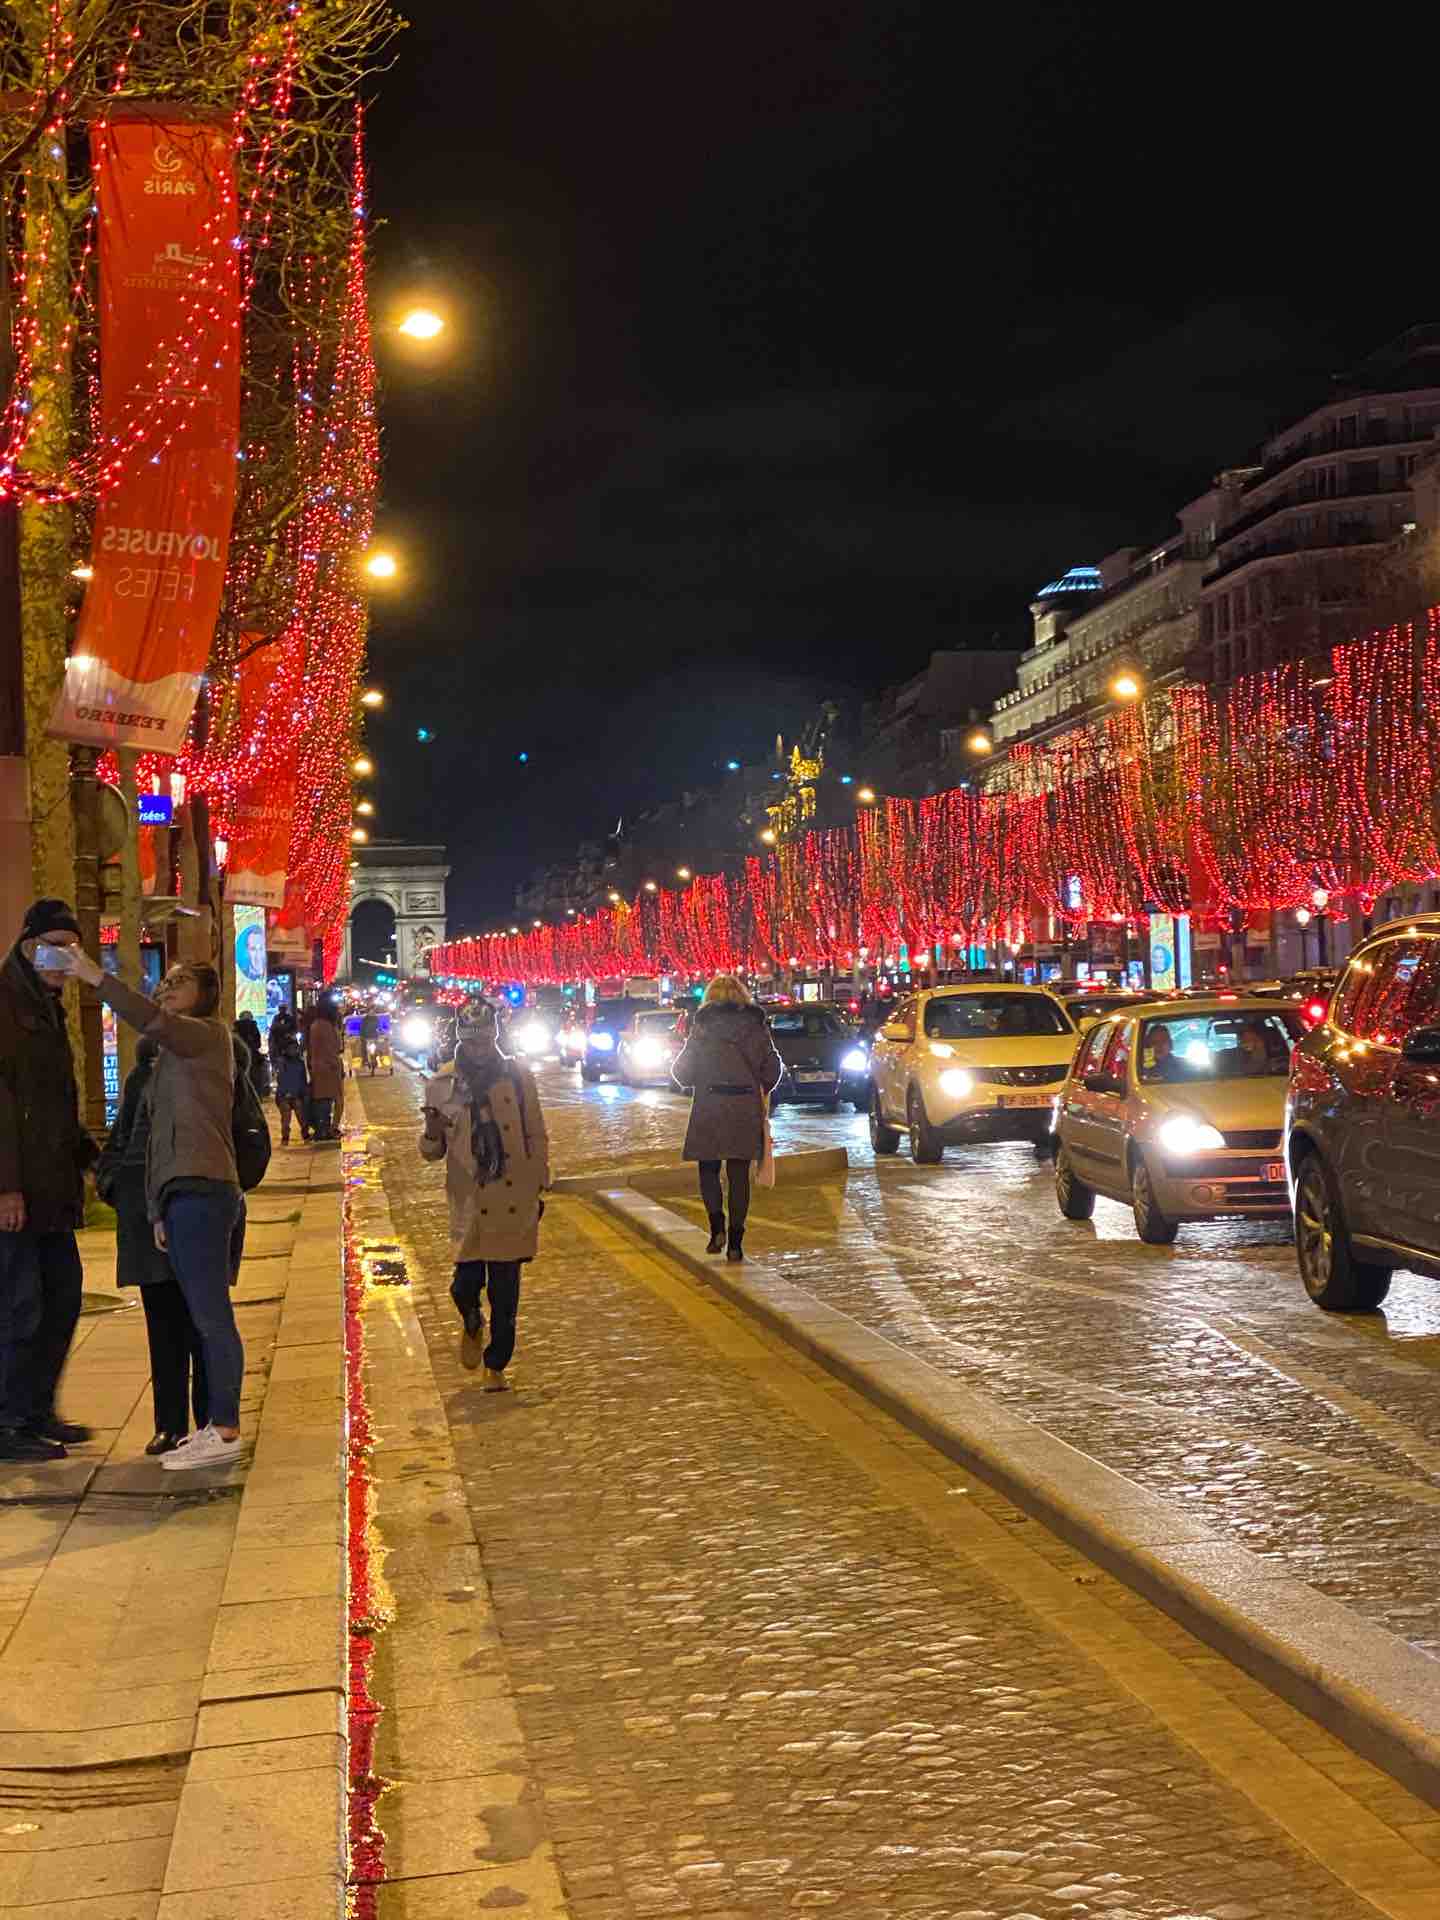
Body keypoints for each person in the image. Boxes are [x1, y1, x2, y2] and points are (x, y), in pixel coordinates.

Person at [63, 949, 245, 1472]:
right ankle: (212, 1425)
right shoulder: (168, 1060)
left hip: (204, 1190)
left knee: (210, 1315)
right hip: (180, 1196)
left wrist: (95, 976)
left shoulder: (205, 1037)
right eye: (163, 980)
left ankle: (225, 1427)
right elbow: (155, 1139)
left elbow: (151, 1019)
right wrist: (156, 1209)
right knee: (197, 1312)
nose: (166, 986)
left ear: (204, 998)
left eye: (178, 981)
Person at [0, 899, 99, 1462]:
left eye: (72, 946)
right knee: (19, 1305)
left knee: (62, 1297)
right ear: (28, 943)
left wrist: (86, 1154)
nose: (65, 958)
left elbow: (54, 1102)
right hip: (18, 1192)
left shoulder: (47, 1004)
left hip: (51, 1184)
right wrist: (6, 1186)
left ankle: (37, 1410)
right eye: (54, 945)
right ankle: (10, 1422)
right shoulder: (7, 1003)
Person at [420, 999, 549, 1392]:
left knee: (506, 1294)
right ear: (462, 1040)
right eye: (472, 1042)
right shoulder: (442, 1084)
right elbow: (430, 1153)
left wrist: (537, 1180)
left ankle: (497, 1364)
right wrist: (431, 1130)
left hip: (511, 1195)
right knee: (463, 1285)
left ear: (494, 1038)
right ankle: (472, 1319)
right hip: (470, 1200)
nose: (479, 1049)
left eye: (485, 1041)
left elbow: (535, 1132)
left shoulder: (516, 1076)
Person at [95, 1037, 208, 1455]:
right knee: (162, 1326)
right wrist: (115, 1182)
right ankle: (170, 1424)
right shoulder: (142, 1074)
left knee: (204, 1322)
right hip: (145, 1215)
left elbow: (247, 1136)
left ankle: (211, 1422)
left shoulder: (211, 1063)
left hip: (196, 1209)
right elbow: (121, 1136)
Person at [671, 974, 783, 1264]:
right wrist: (758, 1087)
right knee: (738, 1175)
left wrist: (699, 1077)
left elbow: (682, 1072)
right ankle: (735, 1243)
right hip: (745, 1106)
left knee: (708, 1169)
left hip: (710, 1104)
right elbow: (772, 1068)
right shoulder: (756, 1026)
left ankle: (716, 1226)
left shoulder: (702, 1027)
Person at [306, 996, 344, 1139]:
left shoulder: (315, 1024)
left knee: (322, 1100)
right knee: (334, 1100)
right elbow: (333, 1048)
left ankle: (323, 1129)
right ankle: (330, 1129)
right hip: (330, 1067)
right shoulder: (327, 1026)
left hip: (318, 1067)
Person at [274, 1031, 311, 1145]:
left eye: (295, 1048)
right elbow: (282, 1080)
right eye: (291, 1048)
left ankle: (305, 1134)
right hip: (284, 1096)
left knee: (301, 1115)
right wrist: (285, 1094)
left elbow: (303, 1080)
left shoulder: (299, 1063)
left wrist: (304, 1093)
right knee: (286, 1117)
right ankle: (285, 1138)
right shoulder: (282, 1063)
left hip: (296, 1095)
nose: (293, 1050)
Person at [233, 1011, 269, 1097]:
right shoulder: (253, 1028)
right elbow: (258, 1044)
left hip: (238, 1058)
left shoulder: (236, 1028)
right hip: (253, 1057)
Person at [360, 1006, 380, 1074]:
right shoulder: (365, 1019)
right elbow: (362, 1028)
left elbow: (378, 1027)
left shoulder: (376, 1018)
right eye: (370, 1011)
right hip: (367, 1037)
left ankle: (375, 1060)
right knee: (364, 1048)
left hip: (374, 1037)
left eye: (372, 1011)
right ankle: (365, 1060)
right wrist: (362, 1036)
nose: (372, 1012)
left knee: (376, 1049)